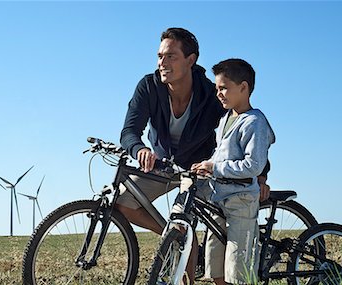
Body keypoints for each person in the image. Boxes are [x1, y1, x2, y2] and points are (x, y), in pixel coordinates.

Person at [116, 28, 271, 237]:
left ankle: (181, 238)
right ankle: (173, 238)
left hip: (199, 169)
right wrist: (139, 149)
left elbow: (245, 127)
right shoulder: (148, 87)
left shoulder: (210, 93)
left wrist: (261, 176)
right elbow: (129, 131)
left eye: (171, 56)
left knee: (182, 223)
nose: (162, 62)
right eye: (160, 56)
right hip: (163, 165)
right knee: (122, 202)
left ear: (191, 60)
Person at [191, 58, 275, 285]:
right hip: (217, 200)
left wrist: (215, 168)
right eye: (217, 89)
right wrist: (205, 167)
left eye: (224, 88)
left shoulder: (254, 122)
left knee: (240, 269)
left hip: (240, 201)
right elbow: (221, 155)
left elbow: (253, 165)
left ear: (244, 87)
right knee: (215, 266)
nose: (219, 94)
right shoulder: (225, 120)